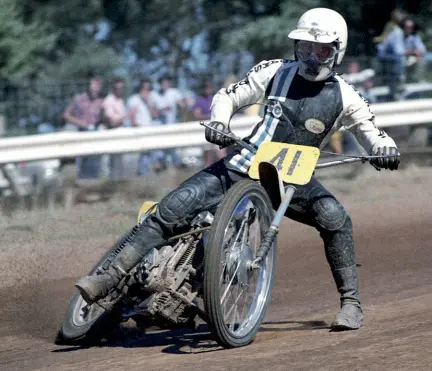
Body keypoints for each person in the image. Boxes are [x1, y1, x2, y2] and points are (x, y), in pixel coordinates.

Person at [76, 8, 400, 331]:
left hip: (291, 179)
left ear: (337, 52)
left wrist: (383, 149)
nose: (312, 56)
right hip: (244, 161)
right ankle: (108, 278)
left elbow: (371, 132)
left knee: (335, 218)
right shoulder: (274, 71)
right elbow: (229, 96)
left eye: (321, 50)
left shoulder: (347, 96)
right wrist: (219, 121)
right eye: (304, 47)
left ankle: (351, 304)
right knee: (172, 208)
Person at [63, 74, 104, 179]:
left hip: (94, 132)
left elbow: (103, 118)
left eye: (97, 87)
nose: (95, 89)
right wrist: (80, 122)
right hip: (80, 131)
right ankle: (78, 178)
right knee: (80, 157)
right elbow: (66, 115)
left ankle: (95, 178)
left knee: (94, 158)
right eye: (93, 86)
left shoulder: (101, 102)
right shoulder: (79, 99)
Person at [127, 78, 164, 176]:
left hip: (150, 129)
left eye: (148, 89)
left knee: (150, 151)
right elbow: (132, 114)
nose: (146, 91)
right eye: (144, 88)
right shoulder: (134, 99)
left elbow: (155, 115)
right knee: (145, 152)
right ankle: (144, 171)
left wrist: (148, 103)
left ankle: (145, 172)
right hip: (140, 129)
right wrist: (135, 126)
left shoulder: (150, 99)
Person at [102, 78, 135, 179]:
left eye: (122, 88)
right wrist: (128, 115)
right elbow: (112, 122)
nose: (120, 90)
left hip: (119, 134)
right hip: (112, 134)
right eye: (118, 88)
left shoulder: (120, 100)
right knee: (114, 164)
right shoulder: (109, 100)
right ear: (113, 88)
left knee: (120, 163)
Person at [376, 10, 406, 101]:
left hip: (394, 56)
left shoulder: (394, 28)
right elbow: (386, 40)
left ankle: (395, 94)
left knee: (395, 76)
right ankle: (395, 94)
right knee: (396, 76)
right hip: (394, 56)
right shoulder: (393, 28)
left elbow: (384, 39)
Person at [402, 17, 426, 83]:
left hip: (410, 58)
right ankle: (401, 81)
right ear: (403, 27)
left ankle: (419, 80)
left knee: (420, 59)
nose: (409, 29)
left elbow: (422, 49)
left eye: (411, 27)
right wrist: (412, 51)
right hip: (400, 58)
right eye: (407, 27)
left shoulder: (414, 37)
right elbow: (399, 51)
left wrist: (418, 54)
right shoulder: (398, 36)